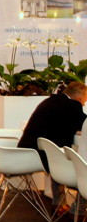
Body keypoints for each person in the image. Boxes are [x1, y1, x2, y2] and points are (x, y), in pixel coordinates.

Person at [19, 81, 87, 209]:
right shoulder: (71, 106)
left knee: (59, 156)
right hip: (40, 156)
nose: (84, 104)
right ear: (78, 99)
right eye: (84, 101)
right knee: (82, 166)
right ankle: (79, 209)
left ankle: (60, 204)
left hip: (32, 152)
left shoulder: (50, 101)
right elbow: (85, 124)